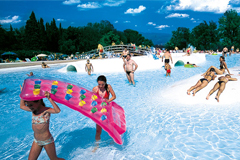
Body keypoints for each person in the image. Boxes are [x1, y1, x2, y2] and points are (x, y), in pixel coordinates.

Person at [20, 88, 64, 160]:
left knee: (54, 159)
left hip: (47, 140)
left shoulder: (45, 110)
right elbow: (22, 106)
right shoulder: (32, 110)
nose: (29, 107)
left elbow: (57, 111)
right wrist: (22, 94)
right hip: (36, 141)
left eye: (31, 105)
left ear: (39, 102)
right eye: (28, 105)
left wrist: (49, 99)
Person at [92, 75, 116, 151]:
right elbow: (92, 100)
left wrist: (107, 101)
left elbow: (114, 96)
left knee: (110, 126)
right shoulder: (95, 89)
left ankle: (113, 141)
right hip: (99, 110)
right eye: (99, 84)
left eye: (103, 84)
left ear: (105, 83)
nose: (101, 86)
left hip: (107, 110)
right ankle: (97, 145)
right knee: (98, 130)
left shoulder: (108, 87)